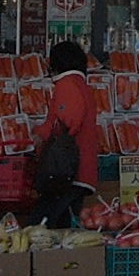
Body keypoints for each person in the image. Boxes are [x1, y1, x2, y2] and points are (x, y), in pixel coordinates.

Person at [33, 40, 102, 227]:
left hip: (67, 171)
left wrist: (42, 135)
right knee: (63, 224)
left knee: (41, 225)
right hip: (79, 171)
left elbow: (69, 120)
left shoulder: (67, 84)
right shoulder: (80, 84)